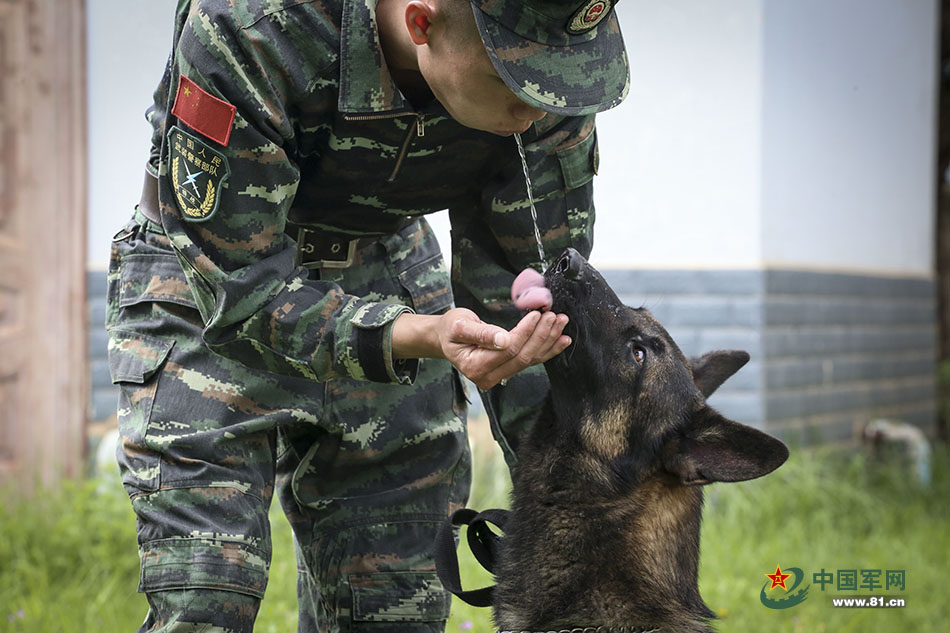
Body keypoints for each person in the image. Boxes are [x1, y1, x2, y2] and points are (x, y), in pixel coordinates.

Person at [105, 0, 628, 631]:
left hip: (385, 262)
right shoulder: (254, 28)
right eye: (512, 83)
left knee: (394, 605)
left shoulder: (546, 72)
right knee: (206, 600)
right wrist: (420, 334)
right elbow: (240, 293)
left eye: (555, 82)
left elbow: (528, 306)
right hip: (203, 285)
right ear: (421, 22)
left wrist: (586, 527)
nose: (539, 111)